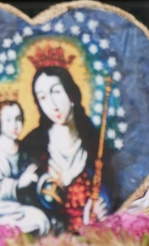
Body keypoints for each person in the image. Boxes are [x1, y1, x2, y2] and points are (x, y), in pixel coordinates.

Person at [18, 45, 112, 234]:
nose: (52, 104)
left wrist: (102, 207)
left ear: (71, 95)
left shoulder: (96, 143)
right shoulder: (31, 145)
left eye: (56, 92)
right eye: (43, 97)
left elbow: (110, 188)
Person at [0, 99, 50, 236]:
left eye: (18, 119)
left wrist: (46, 180)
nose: (15, 125)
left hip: (16, 206)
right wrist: (19, 185)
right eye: (8, 120)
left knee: (41, 221)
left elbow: (36, 171)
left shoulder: (24, 149)